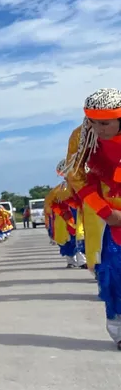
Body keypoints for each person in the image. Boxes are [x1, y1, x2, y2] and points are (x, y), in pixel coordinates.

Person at [60, 88, 121, 348]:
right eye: (93, 122)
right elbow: (76, 176)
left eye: (105, 124)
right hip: (111, 216)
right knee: (114, 275)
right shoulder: (82, 136)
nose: (98, 129)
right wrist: (106, 213)